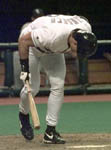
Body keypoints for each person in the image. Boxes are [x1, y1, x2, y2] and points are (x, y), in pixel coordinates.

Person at [18, 14, 97, 144]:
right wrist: (24, 69)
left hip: (53, 50)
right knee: (32, 87)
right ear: (74, 42)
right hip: (32, 47)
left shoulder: (85, 29)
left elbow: (83, 18)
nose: (79, 55)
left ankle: (50, 132)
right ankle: (23, 115)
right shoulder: (51, 34)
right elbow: (23, 41)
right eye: (79, 51)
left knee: (58, 85)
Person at [13, 8, 45, 89]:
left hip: (44, 55)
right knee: (17, 55)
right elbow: (22, 44)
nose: (38, 19)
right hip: (31, 55)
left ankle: (53, 88)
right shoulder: (27, 26)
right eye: (36, 17)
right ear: (32, 18)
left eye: (40, 17)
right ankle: (19, 87)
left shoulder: (47, 26)